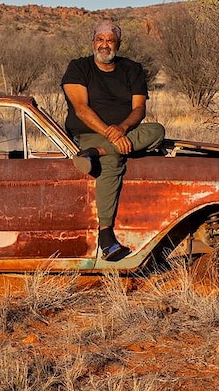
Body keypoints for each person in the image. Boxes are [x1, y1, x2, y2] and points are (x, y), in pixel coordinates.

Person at [61, 20, 165, 262]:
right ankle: (106, 236)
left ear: (118, 44)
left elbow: (139, 108)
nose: (105, 45)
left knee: (157, 130)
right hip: (89, 132)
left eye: (110, 40)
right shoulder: (78, 67)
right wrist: (111, 134)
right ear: (93, 42)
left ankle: (96, 152)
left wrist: (123, 128)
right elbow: (81, 108)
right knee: (114, 159)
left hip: (124, 131)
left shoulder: (132, 68)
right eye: (100, 39)